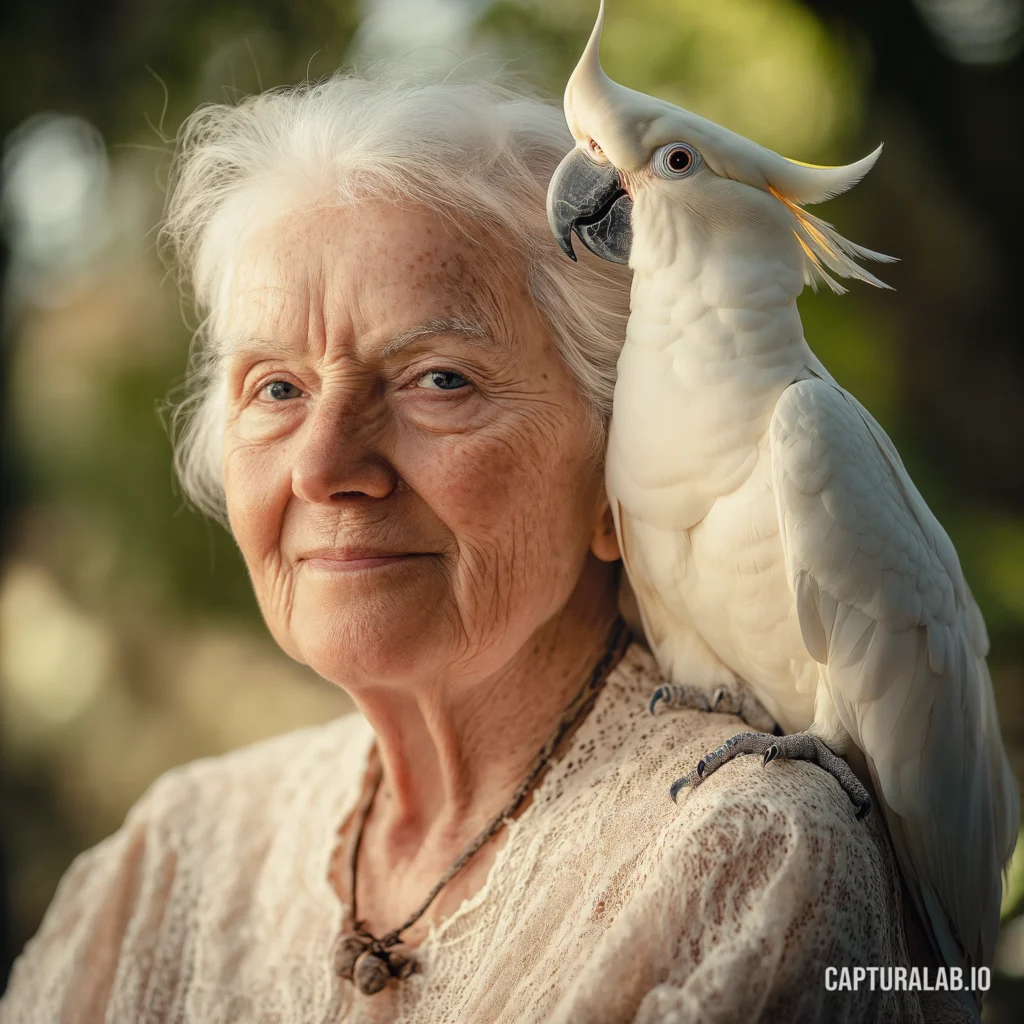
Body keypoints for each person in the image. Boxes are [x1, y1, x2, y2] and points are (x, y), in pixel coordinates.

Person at [0, 68, 967, 1024]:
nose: (324, 466)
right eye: (278, 390)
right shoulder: (166, 855)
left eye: (439, 380)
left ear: (611, 478)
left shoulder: (747, 857)